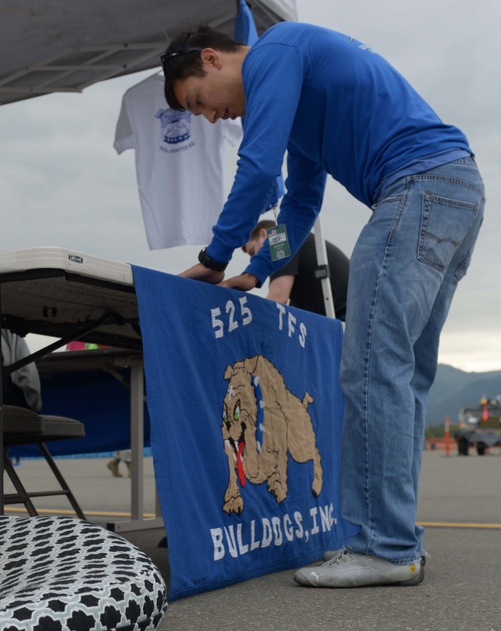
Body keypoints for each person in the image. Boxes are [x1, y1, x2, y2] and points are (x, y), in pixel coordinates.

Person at [162, 22, 484, 587]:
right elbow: (300, 205)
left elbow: (258, 167)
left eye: (198, 103)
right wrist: (256, 270)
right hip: (455, 189)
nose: (211, 117)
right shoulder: (297, 93)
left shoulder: (274, 54)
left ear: (211, 59)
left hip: (416, 186)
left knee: (369, 370)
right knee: (401, 379)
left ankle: (382, 547)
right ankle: (398, 543)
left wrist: (214, 257)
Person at [242, 219, 349, 320]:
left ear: (264, 234)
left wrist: (249, 321)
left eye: (252, 251)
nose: (254, 258)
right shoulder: (297, 241)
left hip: (345, 313)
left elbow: (277, 298)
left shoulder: (279, 239)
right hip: (349, 310)